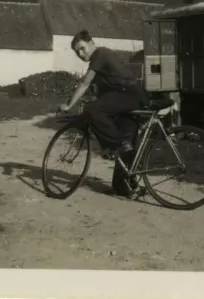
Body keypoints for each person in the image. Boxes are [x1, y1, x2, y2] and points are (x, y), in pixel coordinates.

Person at [58, 30, 148, 197]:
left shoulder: (100, 54)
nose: (80, 53)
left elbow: (85, 82)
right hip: (130, 97)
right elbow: (102, 91)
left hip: (128, 95)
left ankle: (115, 145)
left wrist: (69, 104)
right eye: (77, 51)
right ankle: (124, 186)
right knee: (126, 141)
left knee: (93, 111)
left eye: (82, 48)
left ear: (92, 43)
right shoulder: (100, 60)